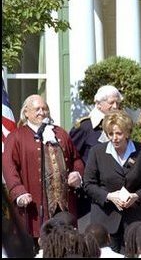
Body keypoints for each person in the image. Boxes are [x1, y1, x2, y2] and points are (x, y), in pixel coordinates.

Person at [2, 94, 84, 246]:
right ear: (26, 112)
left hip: (64, 207)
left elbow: (76, 159)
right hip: (34, 207)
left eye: (44, 109)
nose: (42, 112)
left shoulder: (60, 133)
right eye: (37, 109)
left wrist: (77, 174)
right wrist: (18, 192)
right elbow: (8, 166)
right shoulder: (16, 136)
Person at [83, 110, 141, 253]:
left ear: (127, 133)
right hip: (106, 218)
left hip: (134, 219)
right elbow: (88, 184)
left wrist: (136, 196)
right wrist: (109, 196)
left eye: (119, 133)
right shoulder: (97, 152)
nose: (114, 138)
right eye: (110, 134)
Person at [69, 85, 123, 230]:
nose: (115, 106)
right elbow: (71, 156)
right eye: (111, 102)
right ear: (98, 104)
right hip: (90, 196)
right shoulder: (85, 127)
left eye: (117, 102)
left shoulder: (122, 126)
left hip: (116, 192)